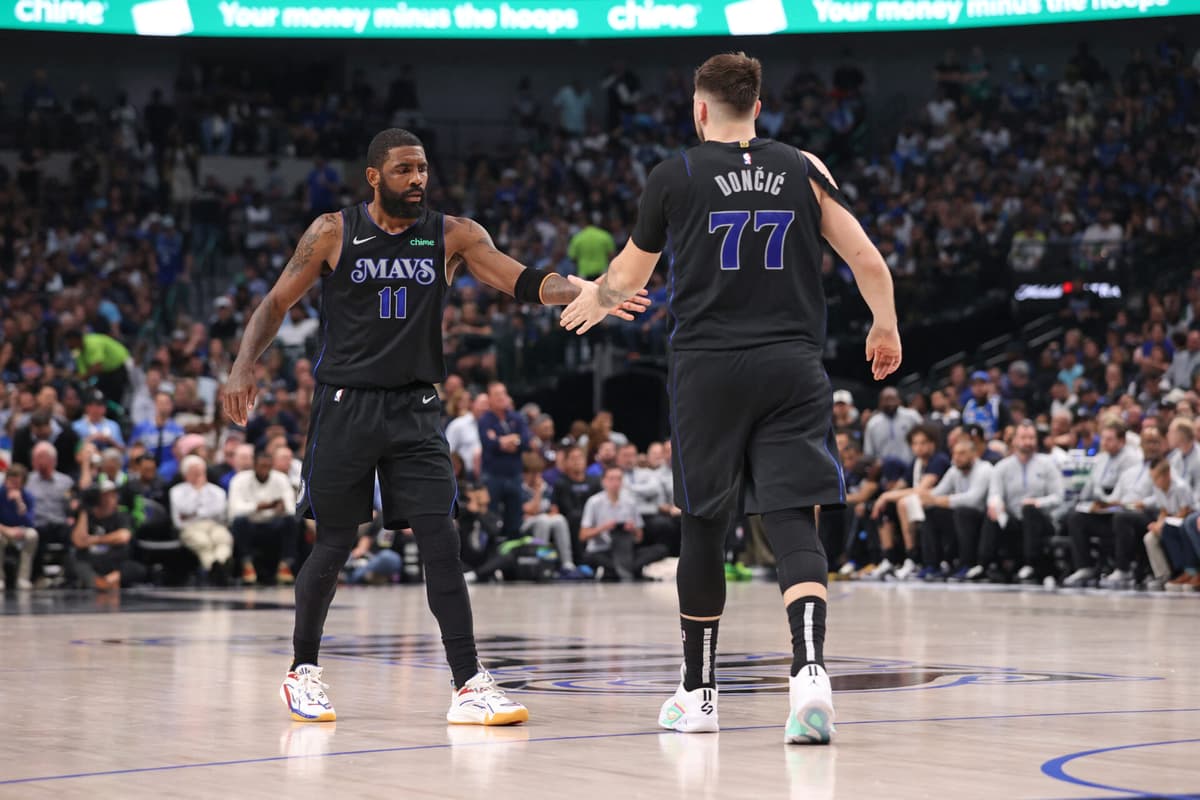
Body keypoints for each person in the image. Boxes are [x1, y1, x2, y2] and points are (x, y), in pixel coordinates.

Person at [220, 128, 648, 726]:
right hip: (346, 405)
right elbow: (274, 304)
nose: (418, 179)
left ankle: (470, 682)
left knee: (441, 539)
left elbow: (520, 279)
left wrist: (584, 288)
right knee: (337, 542)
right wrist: (243, 367)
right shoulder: (332, 231)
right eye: (403, 170)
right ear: (375, 176)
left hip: (417, 408)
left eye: (422, 169)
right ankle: (303, 670)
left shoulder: (453, 234)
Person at [561, 53, 901, 744]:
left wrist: (593, 301)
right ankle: (809, 675)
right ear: (758, 103)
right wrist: (885, 324)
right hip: (792, 364)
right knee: (791, 519)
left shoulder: (675, 173)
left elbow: (628, 272)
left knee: (705, 526)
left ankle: (700, 694)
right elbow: (867, 259)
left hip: (708, 369)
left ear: (700, 108)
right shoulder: (805, 168)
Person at [579, 466, 664, 580]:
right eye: (611, 479)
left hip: (625, 549)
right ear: (603, 481)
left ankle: (618, 569)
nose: (615, 483)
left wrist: (632, 529)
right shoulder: (593, 502)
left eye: (619, 479)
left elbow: (639, 537)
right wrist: (603, 528)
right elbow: (583, 536)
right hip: (602, 549)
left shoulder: (630, 502)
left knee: (660, 549)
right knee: (591, 557)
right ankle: (626, 568)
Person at [169, 454, 234, 585]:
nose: (198, 475)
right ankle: (213, 569)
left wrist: (196, 512)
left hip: (215, 525)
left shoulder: (217, 491)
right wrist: (197, 492)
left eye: (200, 471)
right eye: (194, 472)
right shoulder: (177, 491)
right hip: (190, 527)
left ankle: (220, 565)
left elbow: (220, 512)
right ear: (185, 474)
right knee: (203, 542)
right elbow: (184, 511)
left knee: (223, 539)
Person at [0, 464, 40, 591]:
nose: (14, 486)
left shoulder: (28, 497)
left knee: (32, 535)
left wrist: (20, 503)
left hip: (20, 531)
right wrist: (7, 530)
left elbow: (30, 522)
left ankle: (23, 578)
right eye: (11, 482)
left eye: (17, 483)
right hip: (3, 530)